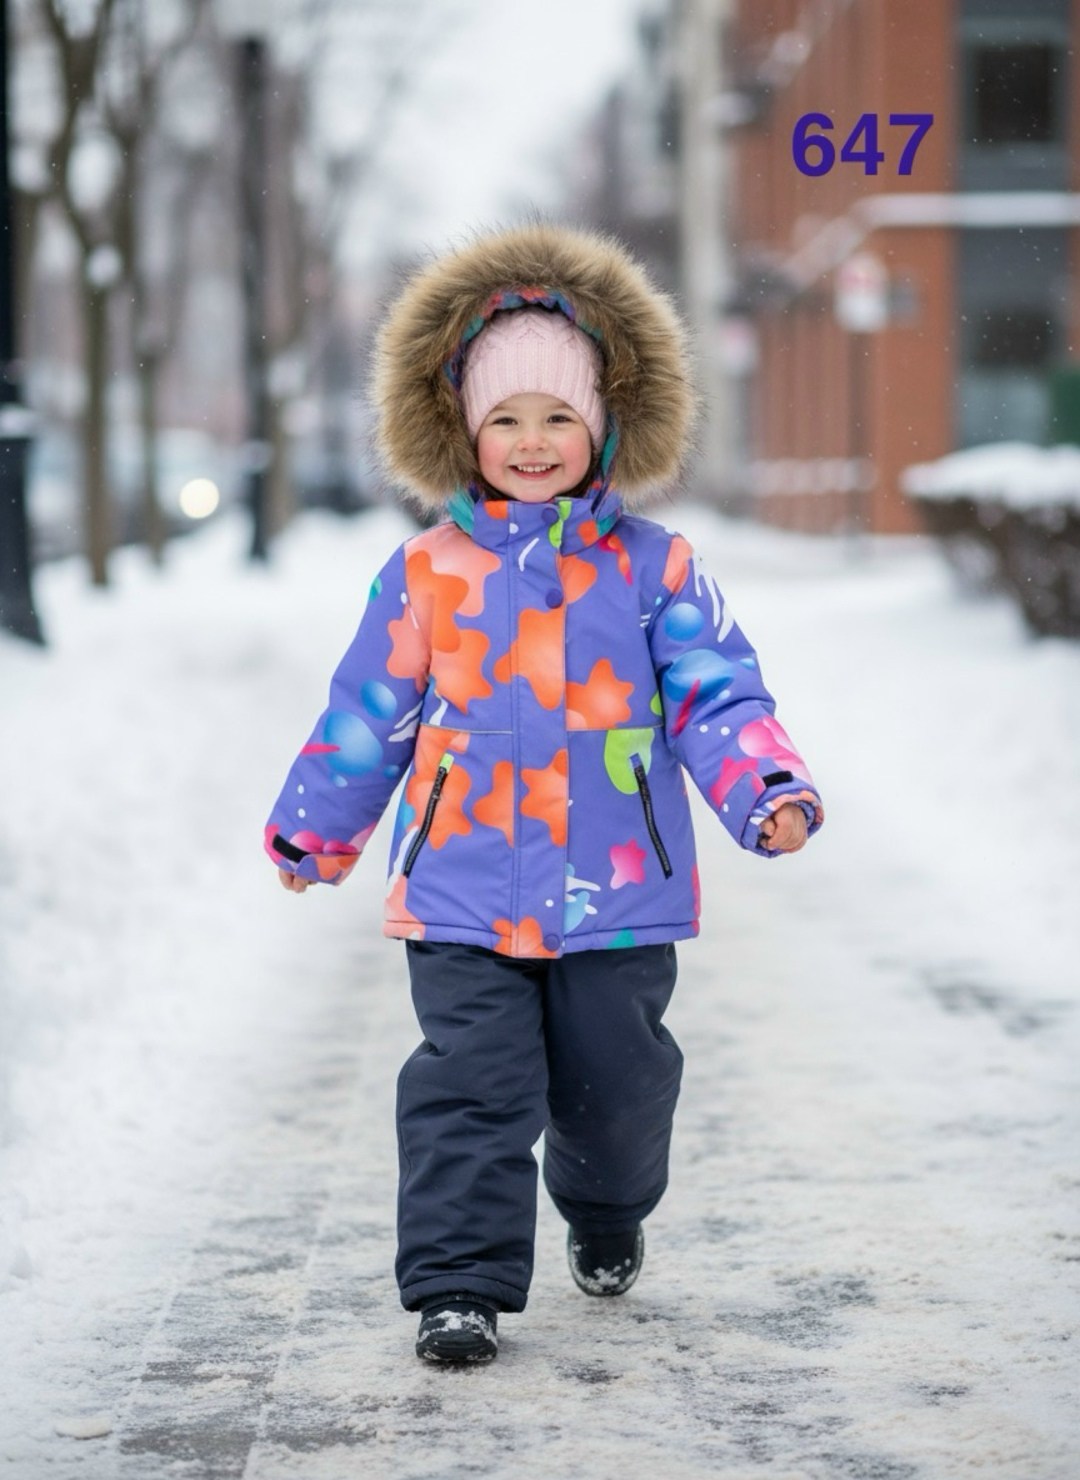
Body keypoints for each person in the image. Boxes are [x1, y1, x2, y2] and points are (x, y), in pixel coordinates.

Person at [264, 223, 824, 1365]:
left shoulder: (654, 567)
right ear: (464, 428)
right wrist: (319, 827)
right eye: (505, 417)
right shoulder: (428, 571)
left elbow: (716, 693)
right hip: (463, 888)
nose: (531, 441)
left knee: (616, 1093)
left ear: (605, 425)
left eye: (558, 416)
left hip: (617, 891)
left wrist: (763, 783)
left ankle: (608, 1208)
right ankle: (458, 1285)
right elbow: (370, 711)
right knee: (469, 1087)